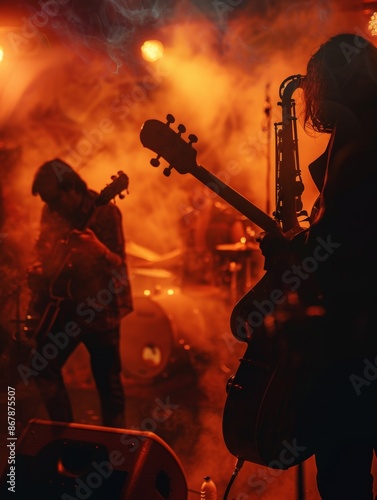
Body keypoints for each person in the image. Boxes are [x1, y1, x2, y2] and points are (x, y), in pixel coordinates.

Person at [258, 33, 377, 499]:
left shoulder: (358, 150)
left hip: (354, 348)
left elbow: (347, 250)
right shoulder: (361, 140)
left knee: (344, 477)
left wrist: (297, 253)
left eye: (317, 87)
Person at [25, 158, 133, 428]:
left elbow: (120, 267)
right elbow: (46, 252)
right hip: (65, 308)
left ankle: (114, 450)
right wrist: (40, 268)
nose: (50, 208)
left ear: (72, 188)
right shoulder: (52, 212)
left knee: (108, 384)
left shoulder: (105, 212)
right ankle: (64, 435)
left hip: (100, 309)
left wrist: (98, 251)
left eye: (54, 200)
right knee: (42, 364)